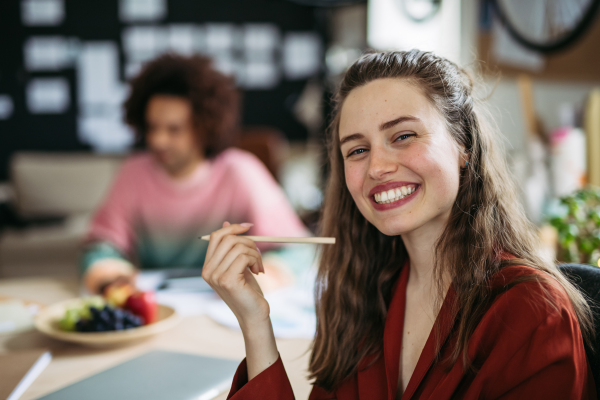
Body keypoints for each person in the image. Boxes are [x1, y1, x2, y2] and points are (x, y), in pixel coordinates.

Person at [202, 50, 596, 399]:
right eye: (357, 150)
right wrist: (255, 321)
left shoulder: (531, 312)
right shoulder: (363, 296)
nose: (377, 167)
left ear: (464, 147)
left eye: (403, 136)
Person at [82, 54, 308, 294]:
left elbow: (297, 249)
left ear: (204, 127)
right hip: (161, 307)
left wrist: (268, 275)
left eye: (174, 129)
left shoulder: (240, 171)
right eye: (152, 127)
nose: (158, 140)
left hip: (228, 310)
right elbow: (101, 247)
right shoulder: (132, 174)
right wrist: (109, 273)